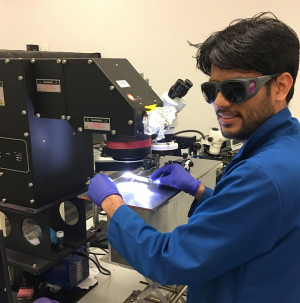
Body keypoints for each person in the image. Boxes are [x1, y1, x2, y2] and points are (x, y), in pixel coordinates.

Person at [88, 12, 300, 302]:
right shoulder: (288, 143)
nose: (219, 102)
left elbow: (169, 259)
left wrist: (112, 204)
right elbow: (251, 222)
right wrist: (198, 189)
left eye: (235, 89)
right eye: (211, 90)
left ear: (281, 86)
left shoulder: (264, 174)